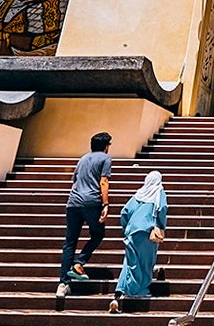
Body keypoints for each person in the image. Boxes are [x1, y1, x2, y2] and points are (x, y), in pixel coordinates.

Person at [56, 131, 112, 299]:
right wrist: (106, 204)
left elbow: (74, 180)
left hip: (73, 202)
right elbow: (104, 181)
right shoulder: (105, 159)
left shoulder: (82, 159)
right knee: (98, 233)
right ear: (105, 146)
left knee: (70, 242)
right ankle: (79, 263)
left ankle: (63, 283)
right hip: (91, 202)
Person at [110, 170, 169, 313]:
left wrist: (127, 227)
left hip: (131, 232)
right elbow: (162, 208)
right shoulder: (159, 192)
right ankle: (139, 290)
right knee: (145, 262)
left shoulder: (139, 193)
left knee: (130, 261)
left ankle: (119, 292)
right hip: (147, 232)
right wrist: (161, 226)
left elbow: (124, 212)